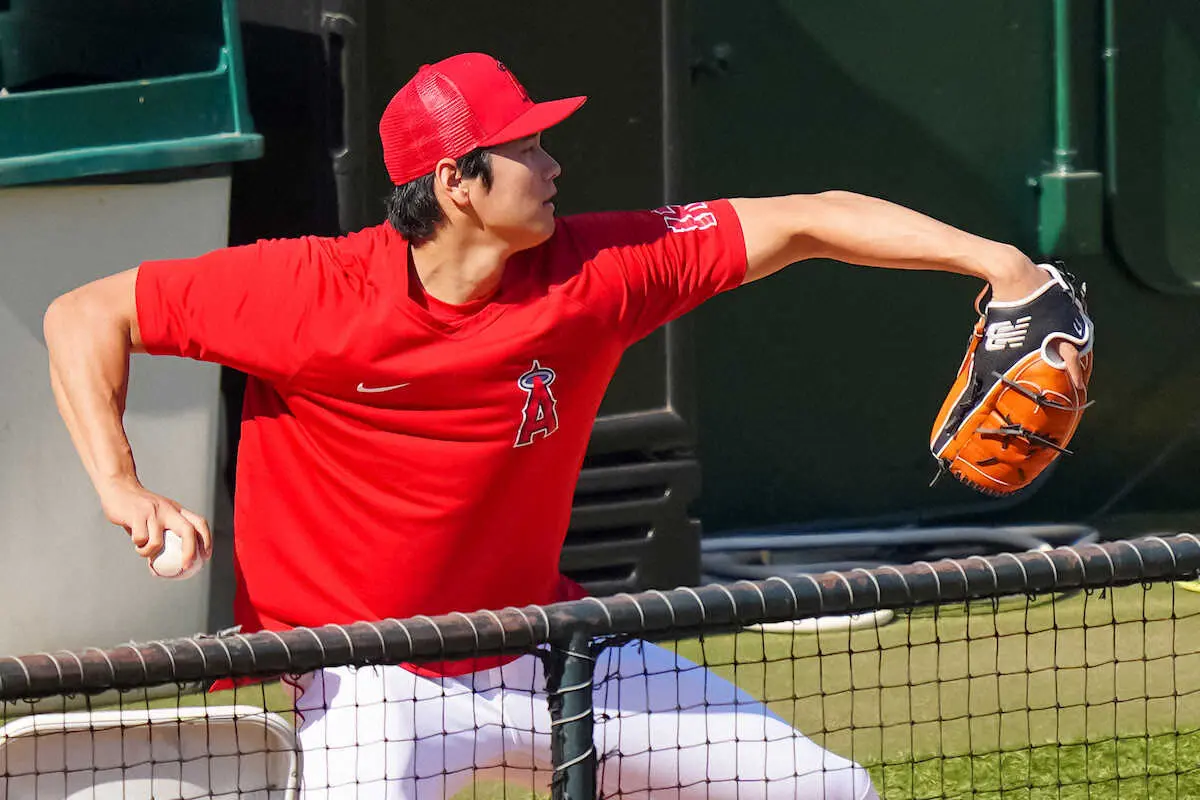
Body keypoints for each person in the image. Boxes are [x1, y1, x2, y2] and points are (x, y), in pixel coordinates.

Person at [44, 52, 1084, 799]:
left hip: (553, 647)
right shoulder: (310, 290)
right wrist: (121, 484)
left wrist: (1003, 265)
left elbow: (807, 217)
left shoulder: (596, 273)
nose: (554, 163)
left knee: (828, 789)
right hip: (368, 676)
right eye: (527, 146)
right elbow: (86, 312)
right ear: (455, 181)